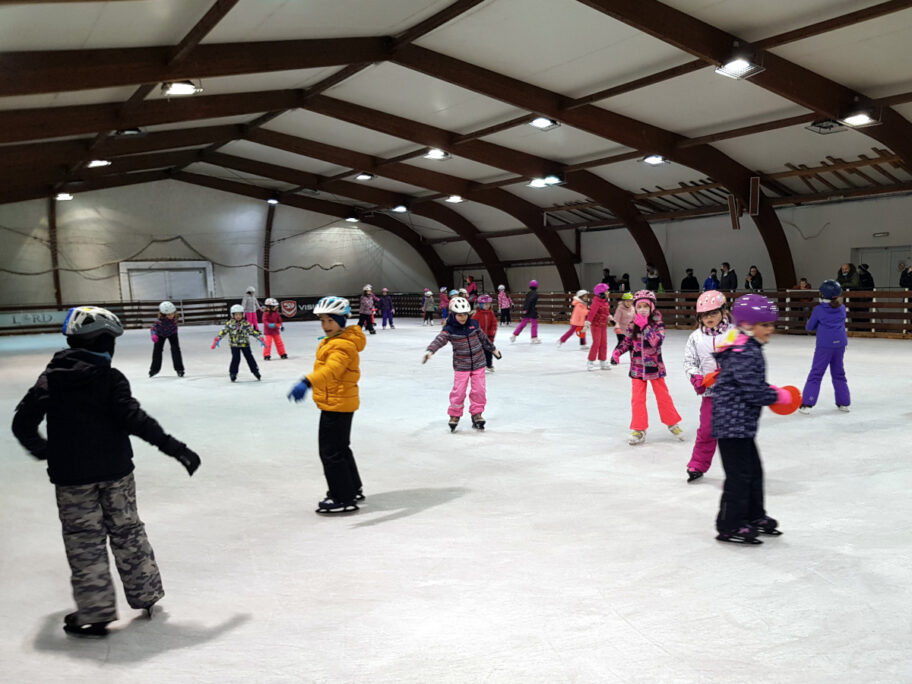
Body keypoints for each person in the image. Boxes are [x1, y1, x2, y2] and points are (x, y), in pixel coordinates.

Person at [11, 306, 200, 637]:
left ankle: (96, 614)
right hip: (116, 474)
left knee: (85, 542)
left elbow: (22, 422)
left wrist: (46, 451)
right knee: (128, 531)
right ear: (102, 342)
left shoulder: (51, 379)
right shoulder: (110, 379)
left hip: (72, 479)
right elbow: (136, 420)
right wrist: (176, 448)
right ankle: (145, 595)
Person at [711, 294, 793, 544]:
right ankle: (730, 524)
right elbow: (753, 390)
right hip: (731, 425)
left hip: (741, 425)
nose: (771, 330)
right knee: (739, 475)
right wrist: (777, 396)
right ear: (747, 324)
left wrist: (768, 391)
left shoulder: (746, 345)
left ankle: (754, 515)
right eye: (765, 325)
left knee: (754, 472)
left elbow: (750, 384)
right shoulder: (745, 350)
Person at [287, 297, 366, 514]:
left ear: (342, 320)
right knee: (341, 448)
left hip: (336, 403)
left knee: (330, 452)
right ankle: (353, 488)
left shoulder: (341, 346)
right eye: (323, 321)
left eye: (331, 321)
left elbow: (331, 371)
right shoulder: (337, 340)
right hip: (339, 401)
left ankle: (342, 496)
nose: (326, 326)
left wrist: (307, 382)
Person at [612, 290, 684, 445]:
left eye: (646, 306)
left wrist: (646, 326)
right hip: (637, 368)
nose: (643, 309)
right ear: (636, 308)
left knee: (663, 396)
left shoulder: (658, 324)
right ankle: (639, 429)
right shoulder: (632, 325)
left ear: (652, 307)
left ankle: (672, 423)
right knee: (637, 399)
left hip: (655, 368)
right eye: (640, 306)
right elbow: (627, 342)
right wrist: (617, 352)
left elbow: (657, 342)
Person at [423, 297, 501, 431]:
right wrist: (430, 351)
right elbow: (440, 340)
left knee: (479, 390)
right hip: (461, 366)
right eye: (459, 315)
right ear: (453, 314)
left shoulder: (474, 325)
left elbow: (484, 339)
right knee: (458, 392)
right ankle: (454, 415)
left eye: (465, 314)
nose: (463, 317)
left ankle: (477, 414)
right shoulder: (450, 329)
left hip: (478, 363)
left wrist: (493, 350)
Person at [682, 291, 730, 483]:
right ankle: (698, 464)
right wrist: (696, 378)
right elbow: (689, 361)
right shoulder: (695, 337)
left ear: (723, 311)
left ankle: (741, 469)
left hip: (734, 393)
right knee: (707, 429)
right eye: (704, 314)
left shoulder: (734, 333)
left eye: (713, 313)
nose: (709, 318)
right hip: (710, 393)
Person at [798, 280, 851, 414]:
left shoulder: (819, 309)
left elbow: (809, 327)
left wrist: (818, 325)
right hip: (840, 344)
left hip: (825, 345)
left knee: (816, 373)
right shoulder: (842, 308)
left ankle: (807, 403)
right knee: (839, 373)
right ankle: (844, 403)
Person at [211, 304, 264, 382]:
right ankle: (233, 373)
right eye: (236, 314)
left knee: (250, 358)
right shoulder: (229, 324)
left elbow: (251, 331)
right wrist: (217, 339)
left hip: (245, 344)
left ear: (243, 314)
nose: (238, 316)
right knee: (236, 358)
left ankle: (255, 371)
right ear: (232, 315)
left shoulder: (245, 323)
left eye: (240, 314)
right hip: (234, 345)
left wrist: (260, 338)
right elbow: (223, 331)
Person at [148, 300, 184, 377]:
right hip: (160, 334)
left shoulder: (175, 317)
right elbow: (153, 328)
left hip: (172, 333)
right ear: (163, 314)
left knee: (176, 349)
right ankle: (154, 369)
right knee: (157, 350)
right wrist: (154, 335)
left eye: (172, 313)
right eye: (169, 314)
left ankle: (179, 369)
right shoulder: (159, 321)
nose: (171, 316)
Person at [584, 283, 614, 371]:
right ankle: (590, 361)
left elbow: (606, 312)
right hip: (596, 325)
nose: (608, 292)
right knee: (596, 343)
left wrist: (609, 317)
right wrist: (588, 322)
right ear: (601, 293)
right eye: (606, 291)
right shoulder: (596, 301)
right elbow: (592, 313)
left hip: (603, 325)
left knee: (604, 343)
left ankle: (603, 360)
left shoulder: (605, 301)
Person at [509, 280, 541, 344]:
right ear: (537, 286)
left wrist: (525, 309)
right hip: (531, 311)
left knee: (523, 324)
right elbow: (530, 302)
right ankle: (534, 338)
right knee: (534, 324)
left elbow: (527, 302)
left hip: (527, 310)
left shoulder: (528, 293)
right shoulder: (536, 294)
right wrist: (533, 311)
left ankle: (514, 335)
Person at [473, 294, 499, 372]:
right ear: (480, 304)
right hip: (479, 338)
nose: (488, 306)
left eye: (489, 304)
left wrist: (492, 332)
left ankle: (489, 364)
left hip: (489, 337)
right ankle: (478, 365)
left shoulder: (491, 313)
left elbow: (494, 323)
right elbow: (473, 325)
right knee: (479, 352)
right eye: (486, 304)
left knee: (489, 351)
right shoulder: (477, 314)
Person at [611, 291, 635, 365]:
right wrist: (617, 327)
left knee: (632, 345)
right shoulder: (620, 309)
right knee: (621, 344)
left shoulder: (633, 309)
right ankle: (614, 357)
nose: (629, 303)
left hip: (630, 330)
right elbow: (615, 319)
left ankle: (634, 359)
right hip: (621, 330)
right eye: (627, 301)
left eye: (630, 301)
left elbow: (635, 318)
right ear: (623, 301)